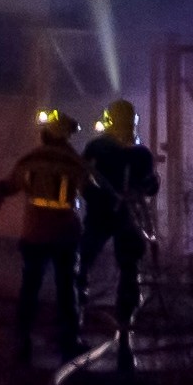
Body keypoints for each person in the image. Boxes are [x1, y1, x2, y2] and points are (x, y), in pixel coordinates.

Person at [0, 109, 85, 354]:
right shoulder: (74, 162)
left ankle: (22, 335)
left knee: (30, 285)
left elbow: (9, 186)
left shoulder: (29, 161)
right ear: (65, 137)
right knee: (66, 288)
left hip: (34, 233)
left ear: (46, 135)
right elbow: (91, 189)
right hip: (65, 234)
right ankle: (70, 338)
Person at [80, 97, 160, 341]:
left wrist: (96, 198)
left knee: (82, 264)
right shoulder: (141, 154)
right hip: (127, 218)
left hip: (102, 215)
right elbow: (151, 186)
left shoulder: (97, 148)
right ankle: (125, 323)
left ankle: (75, 317)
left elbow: (83, 180)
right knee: (128, 269)